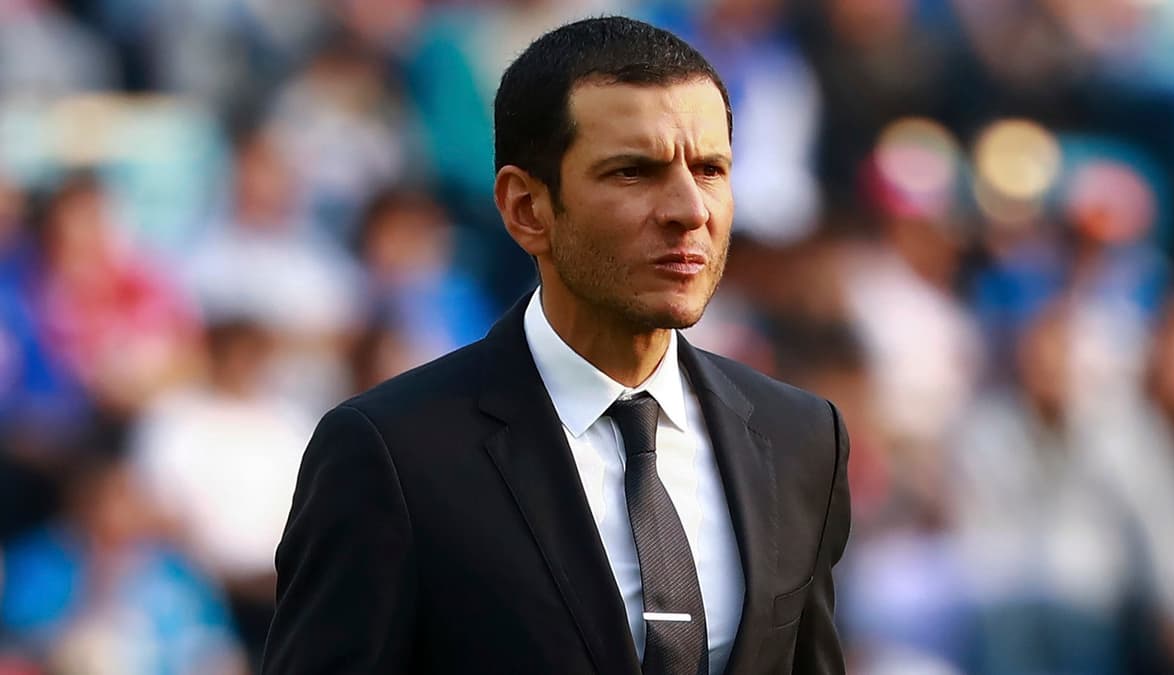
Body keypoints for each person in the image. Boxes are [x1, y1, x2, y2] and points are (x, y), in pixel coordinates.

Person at [262, 16, 851, 675]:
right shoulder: (392, 454)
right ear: (525, 209)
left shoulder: (802, 439)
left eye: (710, 168)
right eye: (634, 171)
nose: (690, 209)